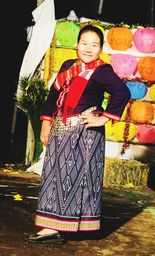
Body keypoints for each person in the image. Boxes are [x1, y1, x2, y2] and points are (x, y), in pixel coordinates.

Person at [27, 24, 130, 244]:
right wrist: (46, 125)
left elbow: (122, 92)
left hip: (85, 135)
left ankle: (66, 226)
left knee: (74, 178)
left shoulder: (102, 70)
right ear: (77, 45)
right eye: (84, 43)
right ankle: (51, 226)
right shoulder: (67, 66)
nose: (88, 48)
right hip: (60, 130)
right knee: (54, 176)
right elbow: (52, 97)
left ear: (101, 48)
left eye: (94, 45)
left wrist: (102, 118)